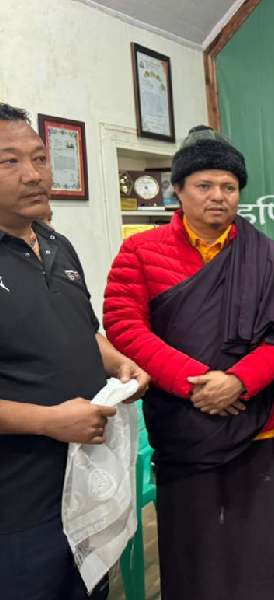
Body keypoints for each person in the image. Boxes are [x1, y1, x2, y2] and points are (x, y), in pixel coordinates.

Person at [103, 125, 274, 600]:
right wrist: (196, 384)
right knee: (194, 552)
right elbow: (124, 326)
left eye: (229, 187)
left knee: (265, 553)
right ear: (178, 189)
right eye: (204, 185)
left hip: (254, 423)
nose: (218, 196)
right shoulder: (140, 251)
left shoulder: (267, 256)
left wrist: (239, 381)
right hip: (184, 425)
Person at [0, 103, 150, 600]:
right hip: (16, 506)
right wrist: (46, 420)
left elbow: (83, 332)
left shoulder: (57, 244)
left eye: (40, 159)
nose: (33, 175)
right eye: (9, 162)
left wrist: (117, 361)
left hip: (83, 483)